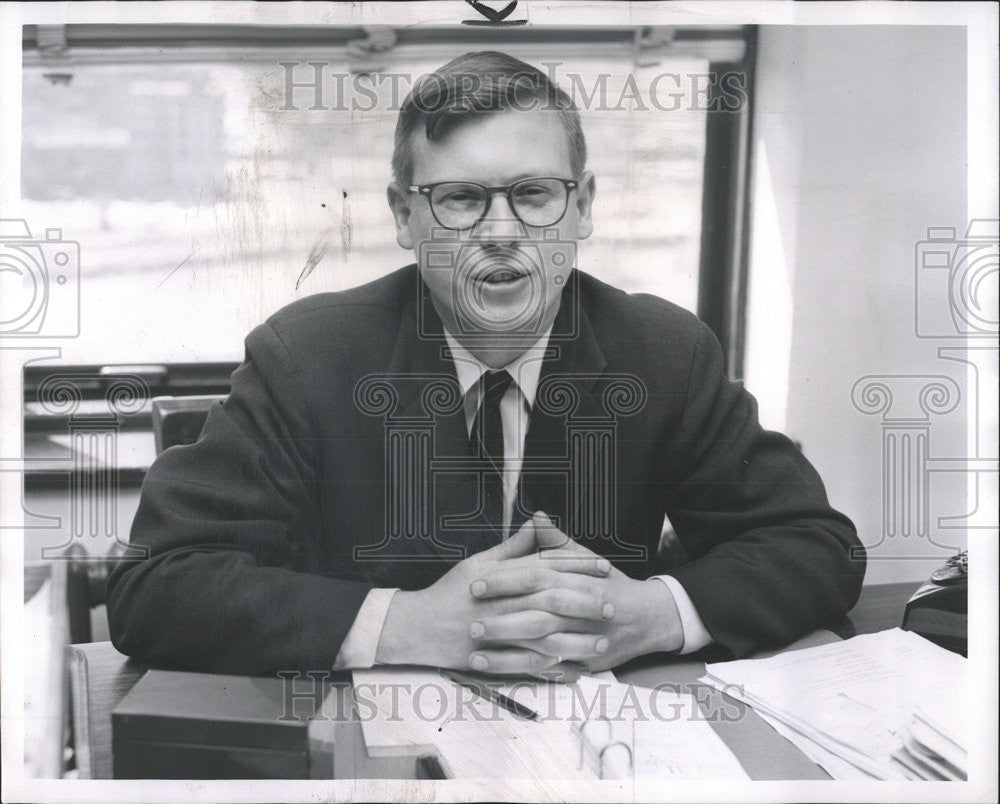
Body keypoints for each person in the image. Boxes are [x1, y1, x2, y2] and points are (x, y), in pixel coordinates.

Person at [107, 51, 865, 678]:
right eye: (460, 200)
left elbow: (817, 546)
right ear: (405, 217)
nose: (501, 233)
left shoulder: (664, 353)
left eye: (535, 194)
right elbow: (154, 585)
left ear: (583, 207)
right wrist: (402, 625)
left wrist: (654, 613)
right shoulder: (306, 356)